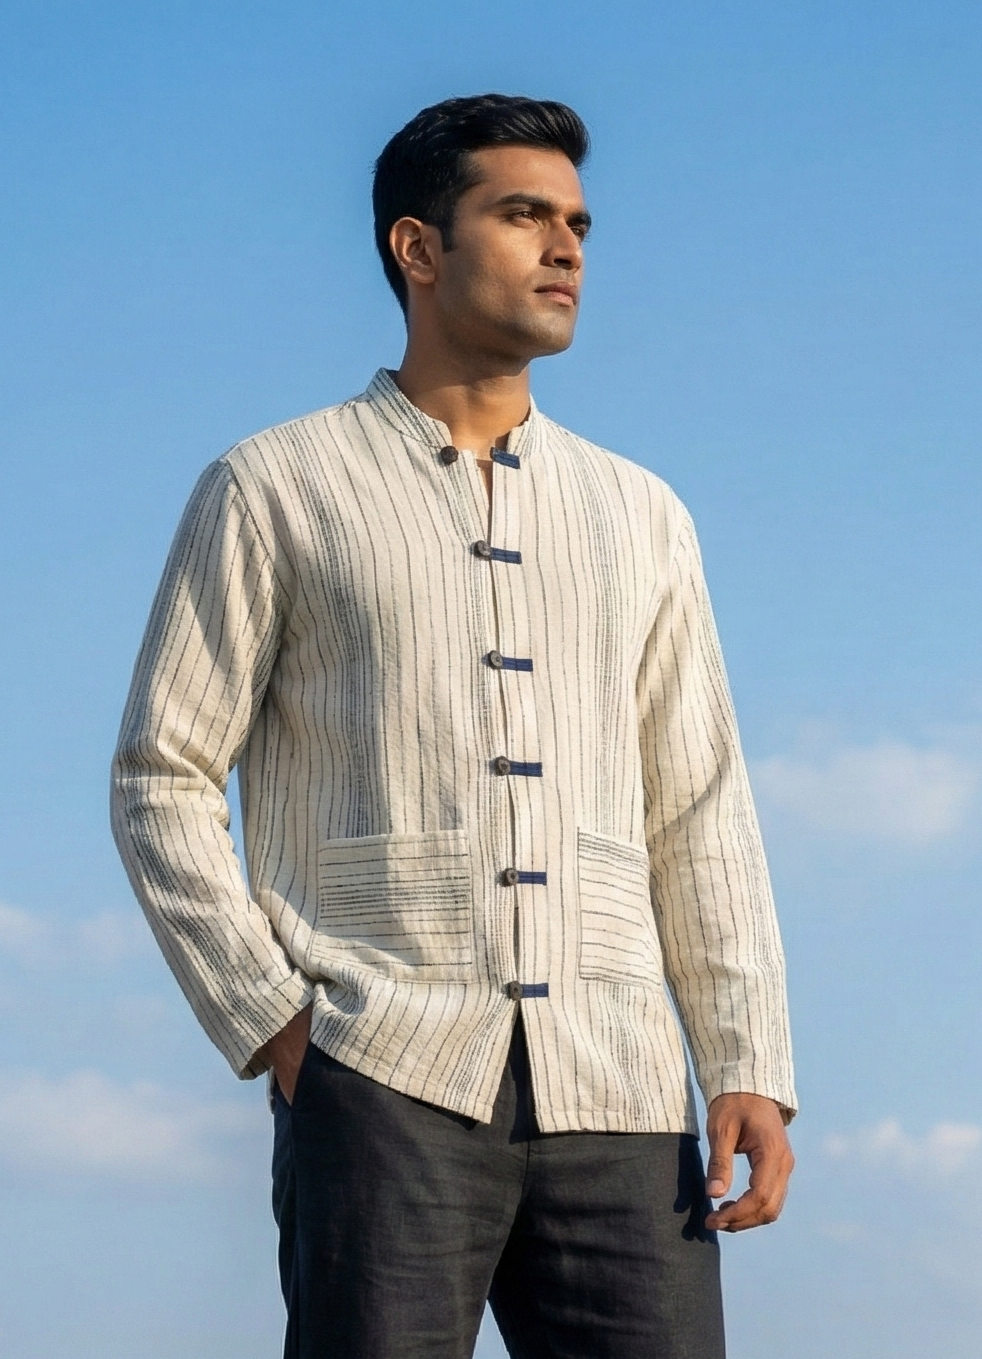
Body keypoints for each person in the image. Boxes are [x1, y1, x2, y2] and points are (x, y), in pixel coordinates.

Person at [111, 93, 797, 1359]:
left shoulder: (641, 513)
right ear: (415, 250)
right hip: (383, 1069)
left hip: (626, 1088)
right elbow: (162, 772)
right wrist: (273, 1018)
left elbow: (697, 804)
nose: (567, 247)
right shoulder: (274, 485)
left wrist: (745, 1061)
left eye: (579, 222)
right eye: (523, 213)